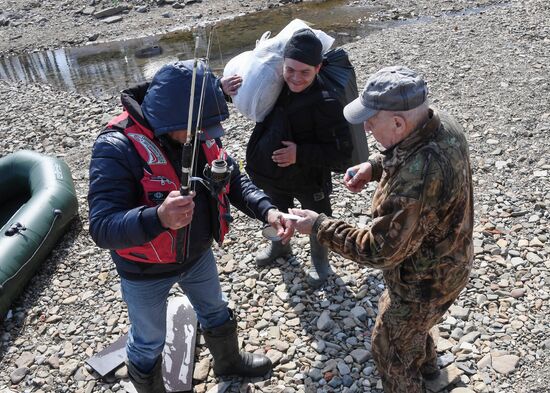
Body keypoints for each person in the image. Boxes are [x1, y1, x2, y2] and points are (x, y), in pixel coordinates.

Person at [88, 60, 293, 392]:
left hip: (197, 256)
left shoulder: (198, 135)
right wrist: (158, 217)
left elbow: (235, 182)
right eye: (197, 130)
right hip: (143, 270)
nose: (203, 137)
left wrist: (268, 211)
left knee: (216, 310)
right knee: (148, 339)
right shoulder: (115, 147)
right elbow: (101, 227)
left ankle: (230, 364)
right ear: (171, 116)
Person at [290, 66, 473, 392]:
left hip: (424, 285)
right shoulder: (441, 122)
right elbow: (407, 151)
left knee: (388, 349)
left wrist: (318, 225)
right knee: (415, 329)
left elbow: (377, 251)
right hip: (452, 261)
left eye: (372, 122)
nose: (367, 127)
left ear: (399, 123)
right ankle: (430, 371)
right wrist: (373, 166)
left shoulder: (414, 183)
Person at [245, 28, 353, 288]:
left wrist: (299, 153)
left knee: (317, 218)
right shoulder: (274, 87)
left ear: (318, 68)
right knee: (276, 212)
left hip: (310, 179)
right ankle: (280, 247)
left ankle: (319, 261)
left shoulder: (326, 102)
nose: (295, 78)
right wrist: (226, 89)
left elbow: (341, 156)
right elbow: (247, 97)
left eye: (305, 72)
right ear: (282, 64)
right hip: (275, 175)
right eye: (290, 69)